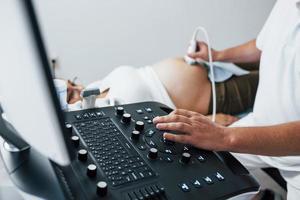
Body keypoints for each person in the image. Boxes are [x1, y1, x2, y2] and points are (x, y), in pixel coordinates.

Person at [153, 0, 300, 199]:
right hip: (260, 125)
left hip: (295, 156)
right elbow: (264, 44)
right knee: (192, 171)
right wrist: (218, 55)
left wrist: (223, 137)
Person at [67, 57, 258, 126]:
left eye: (72, 82)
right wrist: (207, 120)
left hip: (208, 62)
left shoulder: (92, 88)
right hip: (216, 95)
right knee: (282, 75)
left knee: (271, 50)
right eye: (71, 94)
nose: (78, 88)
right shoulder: (99, 118)